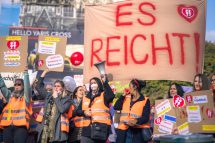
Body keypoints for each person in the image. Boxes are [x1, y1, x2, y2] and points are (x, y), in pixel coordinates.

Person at [76, 75, 115, 143]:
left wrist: (105, 82)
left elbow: (111, 96)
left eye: (95, 83)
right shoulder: (85, 97)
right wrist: (84, 112)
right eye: (91, 83)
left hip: (100, 130)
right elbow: (77, 111)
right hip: (87, 131)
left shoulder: (103, 95)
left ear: (99, 84)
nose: (93, 84)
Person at [35, 72, 72, 143]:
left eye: (58, 86)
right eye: (55, 86)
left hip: (57, 130)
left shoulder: (67, 99)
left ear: (63, 88)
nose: (56, 88)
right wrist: (44, 72)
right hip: (45, 127)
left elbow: (62, 110)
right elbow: (38, 87)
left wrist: (56, 98)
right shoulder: (49, 96)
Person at [0, 69, 32, 143]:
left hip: (20, 128)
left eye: (19, 84)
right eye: (15, 84)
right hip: (7, 127)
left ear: (23, 86)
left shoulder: (26, 98)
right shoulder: (10, 96)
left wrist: (26, 73)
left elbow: (28, 88)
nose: (16, 86)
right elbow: (3, 86)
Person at [114, 79, 150, 143]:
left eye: (130, 86)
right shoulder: (126, 97)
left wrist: (136, 121)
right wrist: (123, 95)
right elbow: (116, 107)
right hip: (123, 130)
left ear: (135, 87)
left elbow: (146, 117)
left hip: (137, 132)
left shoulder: (145, 100)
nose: (128, 88)